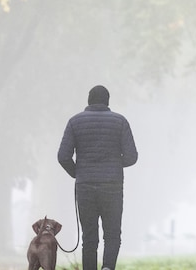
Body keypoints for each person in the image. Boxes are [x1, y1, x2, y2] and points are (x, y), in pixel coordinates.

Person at [58, 85, 138, 270]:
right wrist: (114, 164)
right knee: (112, 235)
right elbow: (132, 156)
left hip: (85, 187)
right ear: (107, 101)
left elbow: (63, 156)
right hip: (112, 187)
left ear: (89, 100)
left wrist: (77, 172)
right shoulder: (120, 122)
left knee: (89, 238)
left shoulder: (74, 122)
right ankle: (108, 267)